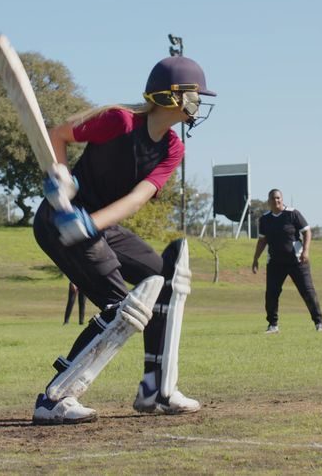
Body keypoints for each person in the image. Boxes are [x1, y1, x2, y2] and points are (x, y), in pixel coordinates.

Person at [30, 54, 216, 425]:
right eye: (195, 94)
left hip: (95, 223)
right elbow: (57, 135)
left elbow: (135, 200)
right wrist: (61, 176)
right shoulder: (119, 121)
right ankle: (54, 398)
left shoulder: (172, 148)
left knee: (162, 278)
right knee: (121, 307)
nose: (200, 103)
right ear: (170, 96)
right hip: (57, 220)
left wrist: (90, 223)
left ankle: (155, 391)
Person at [251, 189, 322, 333]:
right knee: (271, 294)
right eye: (273, 198)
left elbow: (307, 231)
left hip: (297, 261)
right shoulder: (265, 219)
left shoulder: (293, 214)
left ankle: (319, 322)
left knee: (308, 292)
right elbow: (262, 240)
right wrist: (255, 259)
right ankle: (273, 325)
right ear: (269, 201)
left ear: (282, 199)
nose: (276, 201)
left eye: (278, 198)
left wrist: (306, 251)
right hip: (275, 263)